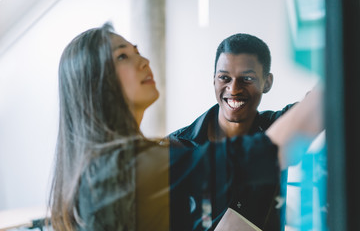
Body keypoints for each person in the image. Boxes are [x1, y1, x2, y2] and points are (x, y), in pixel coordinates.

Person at [48, 23, 323, 231]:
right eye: (122, 57)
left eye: (137, 52)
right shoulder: (129, 166)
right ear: (95, 83)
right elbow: (257, 155)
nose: (143, 61)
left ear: (267, 82)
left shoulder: (115, 164)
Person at [168, 33, 299, 230]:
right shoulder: (177, 147)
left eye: (247, 78)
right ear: (214, 80)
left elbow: (327, 99)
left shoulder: (277, 128)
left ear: (267, 82)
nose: (234, 88)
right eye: (224, 77)